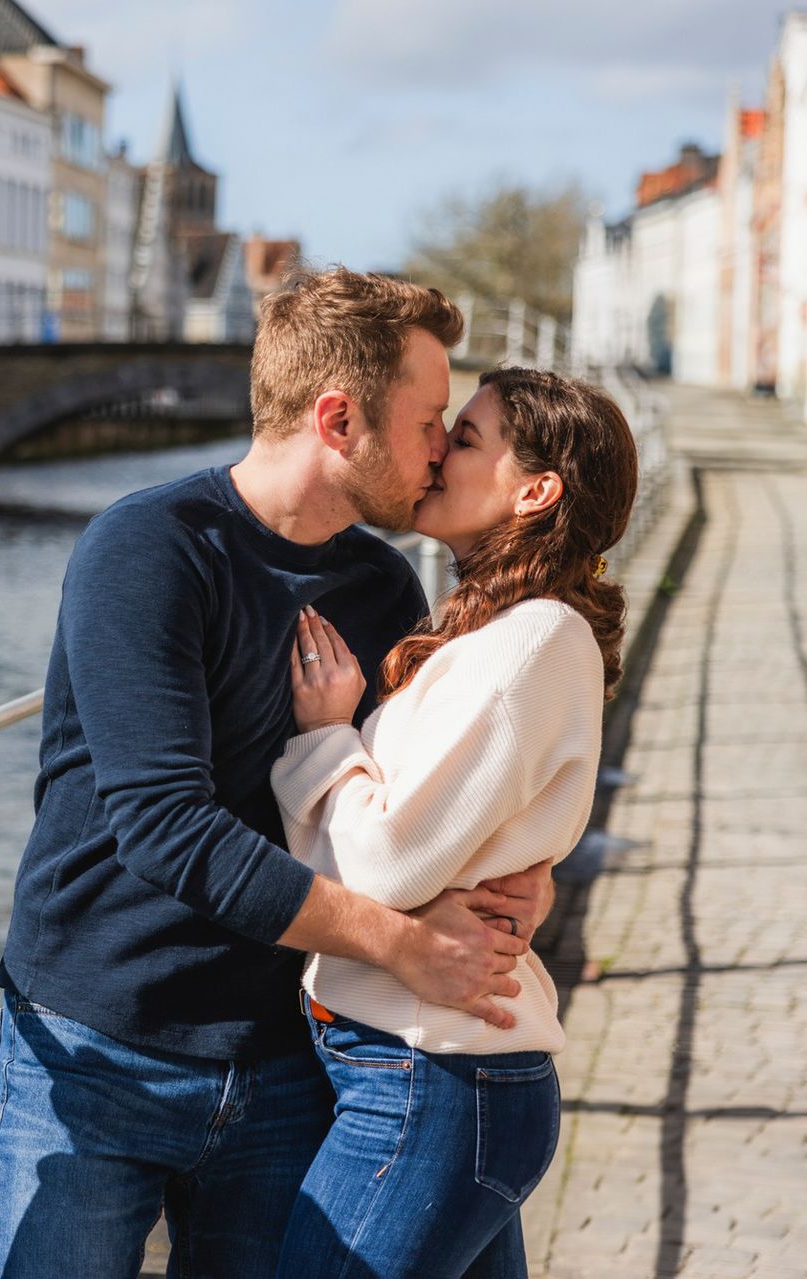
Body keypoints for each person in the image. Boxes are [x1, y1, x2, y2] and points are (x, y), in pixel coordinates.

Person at [0, 267, 555, 1279]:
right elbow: (164, 827)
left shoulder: (381, 586)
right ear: (340, 420)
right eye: (430, 419)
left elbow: (401, 808)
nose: (440, 446)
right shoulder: (149, 550)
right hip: (100, 1033)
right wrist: (405, 946)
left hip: (288, 1054)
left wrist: (519, 874)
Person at [271, 369, 636, 1278]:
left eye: (465, 438)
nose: (437, 453)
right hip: (428, 1071)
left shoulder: (533, 640)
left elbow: (385, 863)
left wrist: (324, 737)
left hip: (433, 1079)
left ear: (537, 490)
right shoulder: (499, 628)